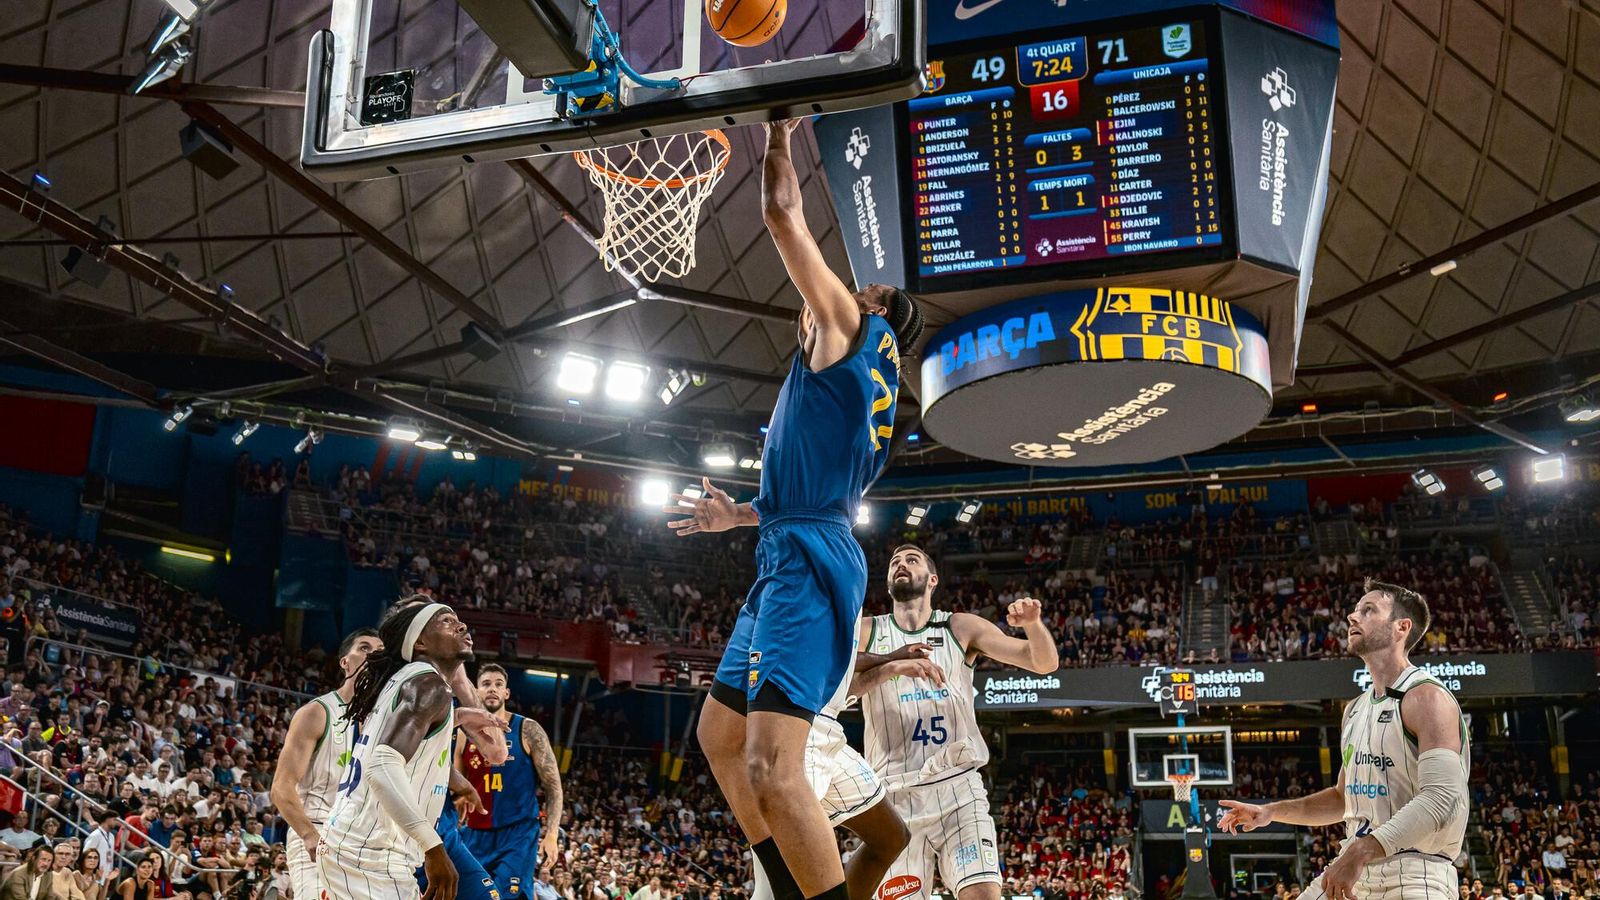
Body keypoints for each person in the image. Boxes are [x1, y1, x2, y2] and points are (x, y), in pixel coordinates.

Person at [672, 117, 923, 900]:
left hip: (809, 566)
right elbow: (808, 496)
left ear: (875, 307)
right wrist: (738, 518)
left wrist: (779, 132)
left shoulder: (851, 333)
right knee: (719, 734)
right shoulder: (855, 385)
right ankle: (788, 884)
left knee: (772, 767)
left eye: (856, 286)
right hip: (793, 543)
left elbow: (782, 217)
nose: (835, 286)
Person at [1219, 579, 1470, 900]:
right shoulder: (1354, 709)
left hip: (1416, 870)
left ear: (1401, 627)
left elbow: (1441, 798)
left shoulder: (1427, 697)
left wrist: (1362, 850)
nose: (1352, 617)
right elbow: (1343, 798)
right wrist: (1270, 812)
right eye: (1354, 611)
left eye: (1368, 610)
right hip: (1357, 864)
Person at [853, 544, 1058, 900]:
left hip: (958, 788)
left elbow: (1042, 663)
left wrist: (1033, 626)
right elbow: (839, 687)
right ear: (887, 582)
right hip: (893, 797)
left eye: (912, 559)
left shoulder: (959, 626)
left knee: (982, 894)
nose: (901, 564)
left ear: (932, 579)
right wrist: (891, 666)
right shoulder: (866, 631)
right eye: (895, 562)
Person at [317, 601, 475, 900]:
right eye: (446, 621)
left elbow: (411, 758)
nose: (461, 625)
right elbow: (382, 765)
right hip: (370, 858)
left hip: (353, 847)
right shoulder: (429, 686)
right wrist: (433, 847)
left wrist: (461, 783)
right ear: (420, 643)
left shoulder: (403, 682)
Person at [750, 644, 922, 900]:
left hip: (827, 728)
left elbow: (842, 686)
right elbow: (829, 654)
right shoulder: (815, 608)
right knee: (778, 884)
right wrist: (890, 659)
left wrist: (891, 665)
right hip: (796, 725)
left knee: (891, 838)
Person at [271, 628, 381, 900]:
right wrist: (309, 836)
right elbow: (281, 788)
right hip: (318, 829)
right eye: (364, 648)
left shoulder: (383, 722)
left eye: (379, 651)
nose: (373, 655)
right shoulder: (317, 713)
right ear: (345, 661)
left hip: (362, 839)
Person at [459, 664, 563, 899]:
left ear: (507, 693)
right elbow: (456, 787)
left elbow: (553, 786)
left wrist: (552, 834)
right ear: (476, 691)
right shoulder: (463, 734)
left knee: (509, 895)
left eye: (498, 684)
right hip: (475, 833)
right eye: (486, 684)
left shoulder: (528, 730)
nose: (492, 689)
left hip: (518, 833)